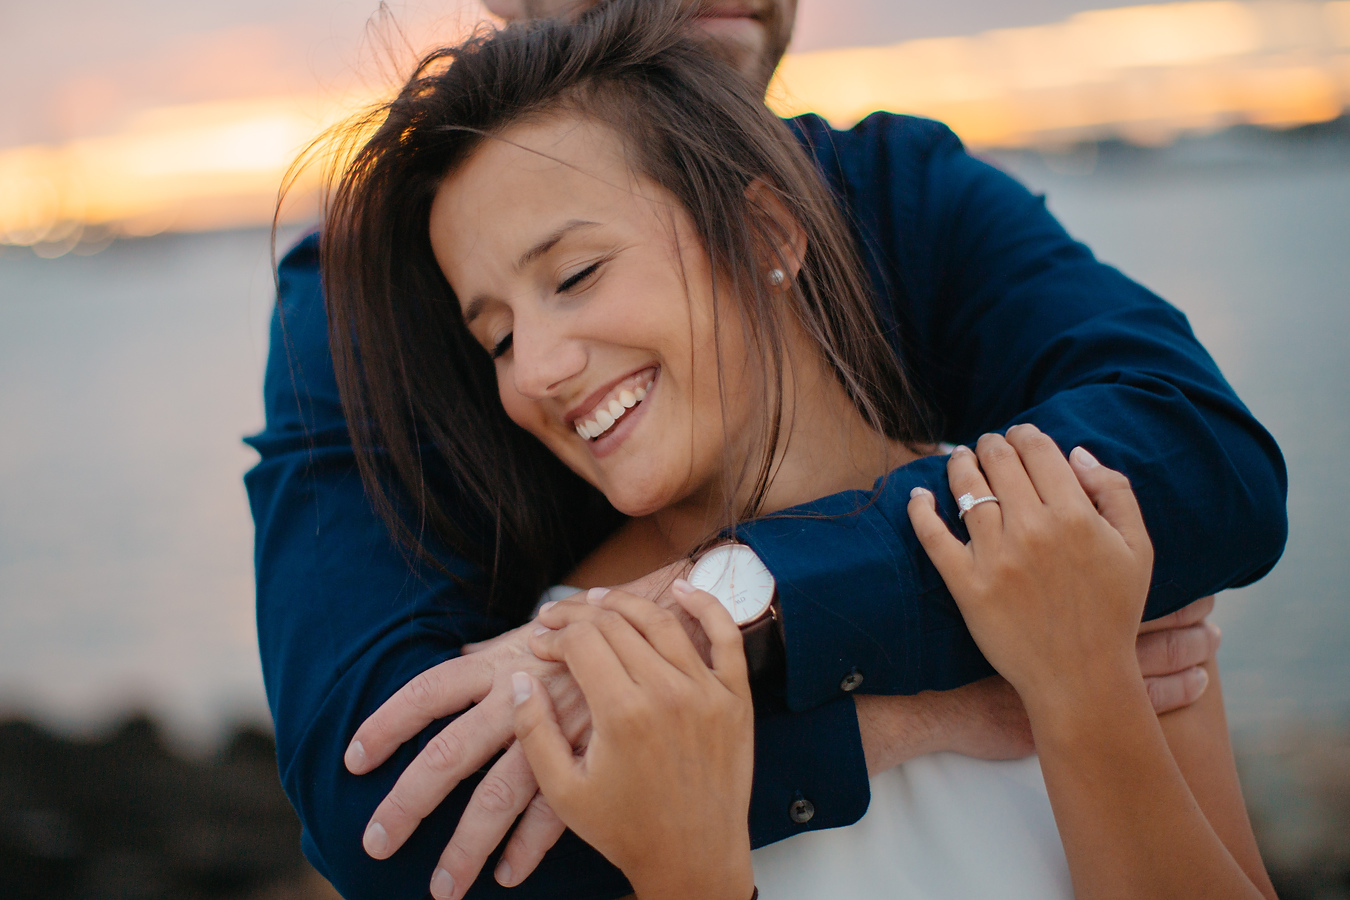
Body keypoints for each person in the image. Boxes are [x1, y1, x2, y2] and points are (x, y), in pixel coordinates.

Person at [246, 1, 1284, 898]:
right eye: (498, 340)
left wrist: (1075, 686)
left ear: (769, 235)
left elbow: (1201, 454)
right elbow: (382, 809)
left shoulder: (1048, 539)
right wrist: (886, 720)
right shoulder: (574, 686)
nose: (535, 373)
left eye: (575, 274)